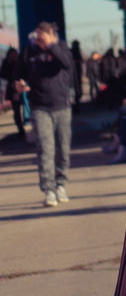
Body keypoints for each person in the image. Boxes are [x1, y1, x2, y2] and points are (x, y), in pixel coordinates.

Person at [16, 22, 74, 207]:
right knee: (45, 149)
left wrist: (51, 46)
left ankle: (61, 184)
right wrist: (19, 84)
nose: (38, 40)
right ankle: (49, 189)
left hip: (61, 106)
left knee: (62, 148)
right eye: (37, 37)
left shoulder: (61, 48)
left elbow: (67, 64)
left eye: (43, 36)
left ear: (51, 35)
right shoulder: (28, 52)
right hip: (39, 107)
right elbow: (18, 76)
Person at [2, 46, 26, 141]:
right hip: (13, 89)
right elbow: (3, 74)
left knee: (27, 108)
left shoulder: (21, 61)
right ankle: (21, 130)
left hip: (23, 87)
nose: (13, 56)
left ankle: (27, 125)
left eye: (14, 54)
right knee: (16, 110)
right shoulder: (6, 63)